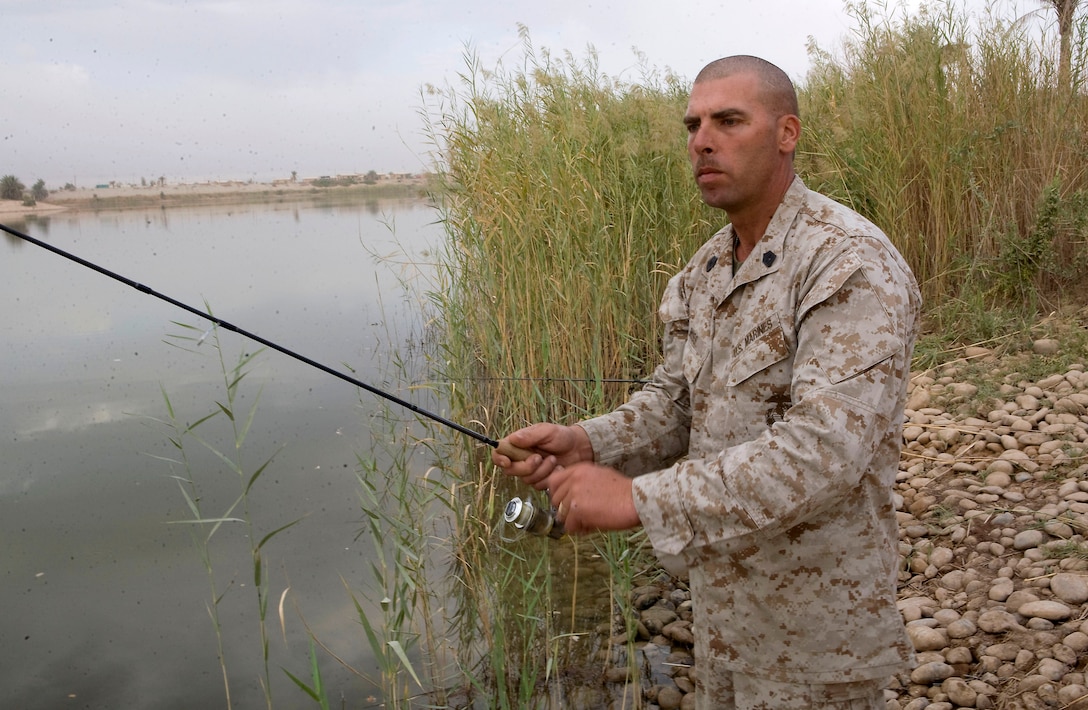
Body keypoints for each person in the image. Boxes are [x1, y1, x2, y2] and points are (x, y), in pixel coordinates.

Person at [493, 55, 921, 708]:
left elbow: (825, 453)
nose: (702, 140)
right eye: (693, 124)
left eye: (728, 120)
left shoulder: (847, 263)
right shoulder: (705, 272)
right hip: (722, 618)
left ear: (786, 133)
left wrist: (639, 500)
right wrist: (587, 443)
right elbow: (675, 403)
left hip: (817, 639)